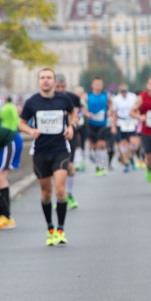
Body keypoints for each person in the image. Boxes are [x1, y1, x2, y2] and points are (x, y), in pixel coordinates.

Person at [19, 68, 76, 246]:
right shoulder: (32, 102)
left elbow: (73, 113)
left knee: (60, 190)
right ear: (38, 82)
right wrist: (30, 130)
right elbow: (21, 123)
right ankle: (50, 228)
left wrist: (71, 127)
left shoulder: (63, 99)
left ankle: (60, 229)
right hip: (40, 152)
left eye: (49, 78)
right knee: (46, 193)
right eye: (42, 78)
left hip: (60, 150)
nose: (46, 81)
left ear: (53, 81)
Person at [54, 76, 81, 209]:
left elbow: (78, 112)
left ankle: (68, 194)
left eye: (63, 86)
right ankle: (60, 194)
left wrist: (75, 120)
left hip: (69, 136)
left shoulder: (71, 98)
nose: (60, 89)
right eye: (57, 87)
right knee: (56, 169)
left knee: (69, 166)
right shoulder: (46, 100)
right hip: (52, 137)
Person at [85, 77, 114, 176]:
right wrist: (86, 112)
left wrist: (110, 111)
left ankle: (102, 166)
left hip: (103, 123)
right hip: (91, 124)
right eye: (96, 84)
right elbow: (81, 106)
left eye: (100, 84)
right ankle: (98, 165)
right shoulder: (87, 95)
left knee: (102, 144)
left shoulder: (106, 95)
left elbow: (111, 104)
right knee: (94, 146)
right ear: (92, 85)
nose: (98, 86)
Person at [112, 84, 139, 172]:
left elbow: (137, 109)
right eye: (122, 91)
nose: (124, 93)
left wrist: (137, 119)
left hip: (131, 121)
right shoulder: (116, 99)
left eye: (125, 91)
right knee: (123, 143)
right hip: (121, 122)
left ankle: (130, 157)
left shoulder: (133, 97)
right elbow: (114, 113)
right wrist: (114, 126)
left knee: (134, 144)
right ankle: (125, 162)